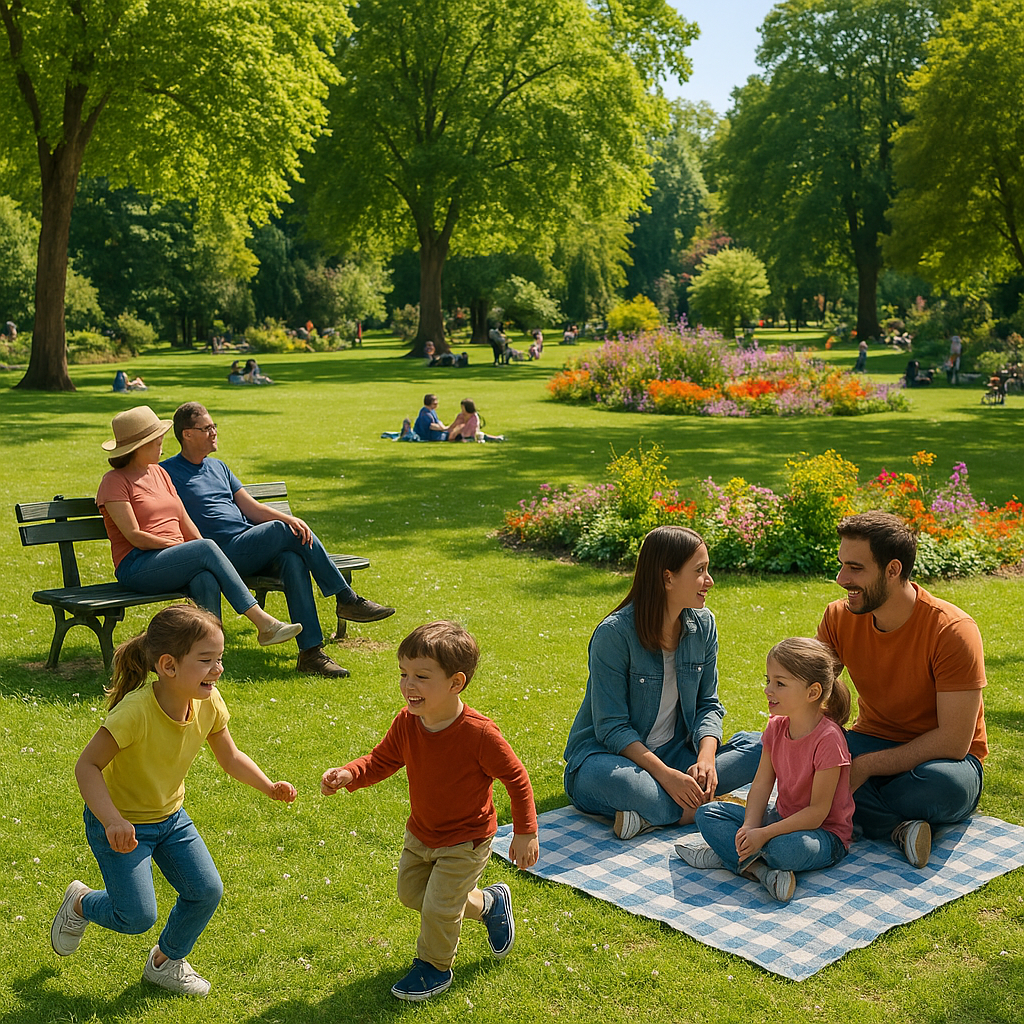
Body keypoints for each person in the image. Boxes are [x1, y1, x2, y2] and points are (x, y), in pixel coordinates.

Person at [50, 604, 297, 996]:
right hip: (122, 825)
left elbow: (230, 757)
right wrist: (112, 819)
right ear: (168, 666)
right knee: (135, 916)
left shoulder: (208, 702)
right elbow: (87, 766)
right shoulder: (135, 713)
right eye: (206, 661)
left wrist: (268, 786)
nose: (217, 670)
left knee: (206, 891)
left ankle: (165, 962)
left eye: (219, 659)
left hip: (170, 818)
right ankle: (81, 902)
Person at [320, 621, 539, 1002]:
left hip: (467, 839)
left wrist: (525, 831)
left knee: (439, 907)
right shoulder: (408, 723)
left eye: (421, 676)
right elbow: (382, 760)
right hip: (422, 832)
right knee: (411, 893)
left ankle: (434, 968)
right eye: (404, 674)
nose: (408, 686)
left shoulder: (480, 734)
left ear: (456, 683)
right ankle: (489, 904)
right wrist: (350, 773)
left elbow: (516, 778)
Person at [162, 403, 395, 679]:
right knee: (284, 529)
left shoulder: (219, 467)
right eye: (208, 428)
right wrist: (287, 524)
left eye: (215, 427)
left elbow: (253, 509)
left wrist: (294, 520)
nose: (214, 433)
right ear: (187, 434)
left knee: (292, 559)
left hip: (247, 546)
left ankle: (311, 654)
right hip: (218, 555)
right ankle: (345, 598)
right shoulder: (167, 473)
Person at [563, 525, 761, 841]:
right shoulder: (614, 635)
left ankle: (654, 815)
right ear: (668, 578)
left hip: (676, 754)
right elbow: (611, 728)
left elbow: (708, 705)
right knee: (628, 786)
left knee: (764, 746)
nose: (710, 581)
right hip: (609, 759)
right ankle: (706, 808)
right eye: (700, 571)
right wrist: (668, 778)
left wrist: (706, 760)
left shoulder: (703, 625)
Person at [816, 511, 987, 868]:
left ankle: (847, 808)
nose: (841, 578)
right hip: (871, 738)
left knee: (944, 789)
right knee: (804, 760)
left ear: (892, 570)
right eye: (841, 565)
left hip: (942, 761)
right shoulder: (838, 617)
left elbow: (955, 741)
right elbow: (810, 694)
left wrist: (863, 769)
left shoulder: (952, 631)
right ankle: (898, 828)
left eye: (855, 568)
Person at [96, 406, 302, 648]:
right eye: (156, 440)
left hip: (171, 559)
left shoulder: (160, 474)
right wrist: (188, 547)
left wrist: (200, 549)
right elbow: (135, 536)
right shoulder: (113, 482)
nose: (162, 443)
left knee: (205, 577)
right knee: (204, 550)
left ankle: (210, 652)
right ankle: (263, 623)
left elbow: (185, 521)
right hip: (138, 565)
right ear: (139, 446)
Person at [678, 637, 854, 903]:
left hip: (822, 835)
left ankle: (729, 855)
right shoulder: (776, 727)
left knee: (784, 850)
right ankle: (761, 871)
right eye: (768, 680)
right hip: (779, 819)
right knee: (707, 813)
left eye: (780, 683)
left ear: (812, 692)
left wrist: (763, 834)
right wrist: (750, 827)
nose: (767, 690)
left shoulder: (829, 740)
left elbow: (817, 813)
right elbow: (760, 784)